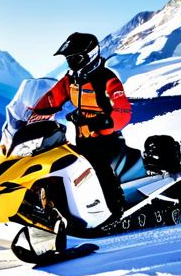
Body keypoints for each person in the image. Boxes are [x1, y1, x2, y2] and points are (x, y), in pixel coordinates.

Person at [29, 32, 132, 215]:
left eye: (75, 59)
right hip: (82, 139)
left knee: (98, 167)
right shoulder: (72, 80)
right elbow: (52, 98)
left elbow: (123, 111)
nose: (71, 64)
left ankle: (116, 209)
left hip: (105, 140)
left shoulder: (107, 79)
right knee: (62, 164)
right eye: (69, 60)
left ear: (89, 56)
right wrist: (33, 112)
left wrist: (105, 122)